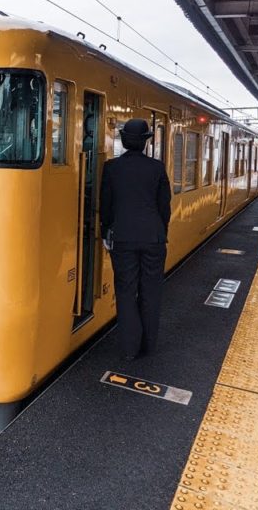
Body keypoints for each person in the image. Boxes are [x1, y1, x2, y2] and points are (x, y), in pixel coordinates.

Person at [100, 118, 172, 361]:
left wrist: (105, 232)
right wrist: (161, 233)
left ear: (124, 140)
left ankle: (130, 349)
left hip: (123, 238)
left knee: (126, 291)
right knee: (151, 291)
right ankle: (148, 346)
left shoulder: (111, 168)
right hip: (153, 238)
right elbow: (165, 207)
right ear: (145, 143)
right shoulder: (157, 168)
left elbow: (106, 207)